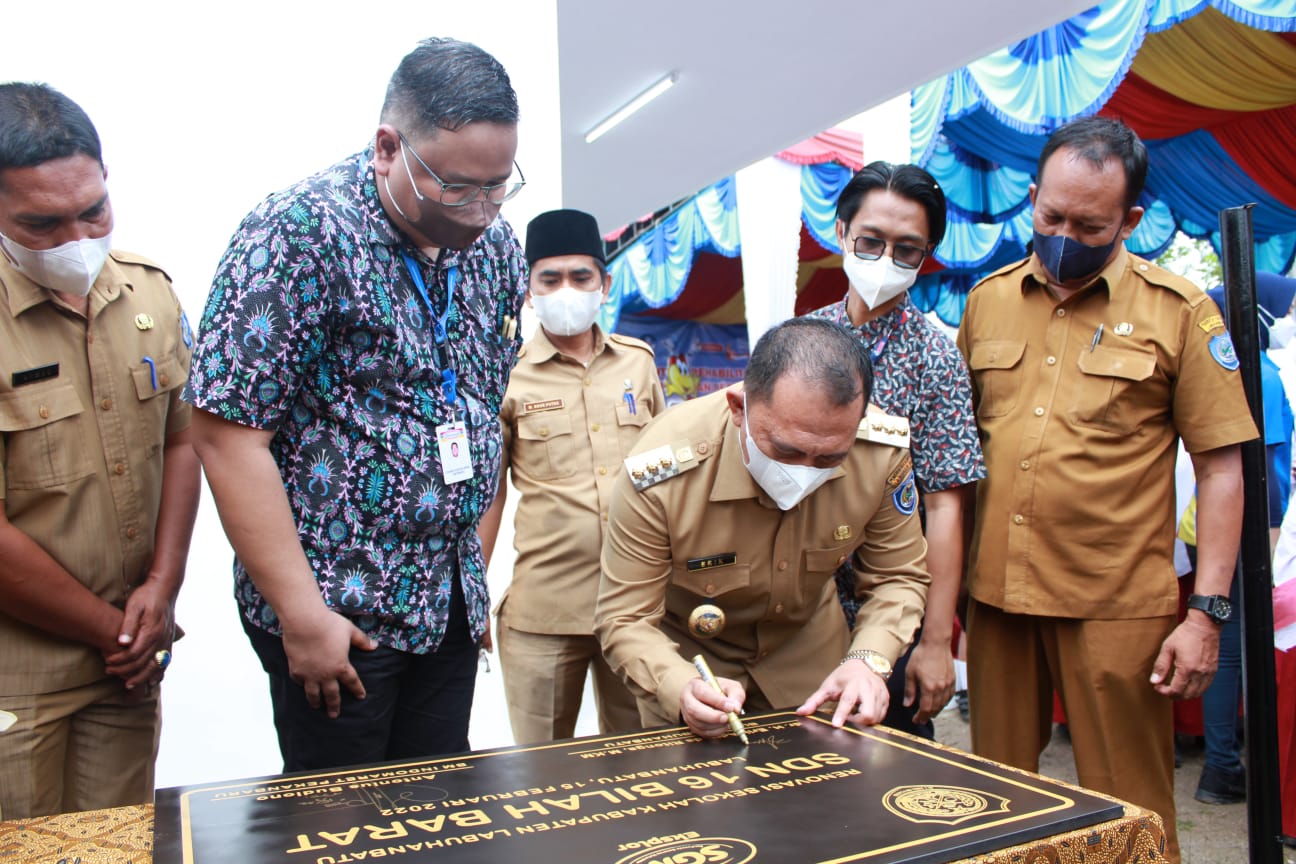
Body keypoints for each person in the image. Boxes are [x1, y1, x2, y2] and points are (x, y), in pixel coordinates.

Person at [183, 38, 527, 771]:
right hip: (342, 608)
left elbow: (480, 415)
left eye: (498, 187)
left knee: (441, 806)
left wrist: (471, 579)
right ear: (387, 148)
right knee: (342, 813)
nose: (480, 211)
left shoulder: (496, 248)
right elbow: (226, 434)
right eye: (457, 187)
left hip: (445, 602)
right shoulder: (298, 234)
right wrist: (302, 614)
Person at [956, 116, 1255, 864]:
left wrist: (1206, 614)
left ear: (1130, 220)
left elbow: (1222, 468)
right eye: (1052, 216)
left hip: (1116, 604)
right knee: (995, 810)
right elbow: (961, 458)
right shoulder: (987, 301)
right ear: (1033, 197)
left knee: (1130, 819)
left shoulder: (1178, 311)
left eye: (1088, 225)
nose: (1063, 236)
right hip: (997, 597)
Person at [0, 83, 200, 818]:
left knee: (112, 849)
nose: (76, 239)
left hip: (126, 665)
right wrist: (115, 630)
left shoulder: (150, 296)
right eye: (41, 224)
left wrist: (163, 585)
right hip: (19, 679)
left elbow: (183, 441)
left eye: (94, 211)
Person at [594, 317, 930, 737]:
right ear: (739, 408)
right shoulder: (663, 471)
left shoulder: (878, 454)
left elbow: (898, 576)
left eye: (830, 459)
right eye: (786, 450)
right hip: (692, 660)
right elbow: (624, 617)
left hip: (813, 666)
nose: (805, 472)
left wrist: (867, 661)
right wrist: (679, 687)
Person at [807, 161, 983, 738]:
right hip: (797, 610)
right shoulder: (798, 343)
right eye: (871, 241)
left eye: (906, 249)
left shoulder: (936, 359)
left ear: (926, 255)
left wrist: (935, 642)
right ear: (841, 232)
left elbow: (947, 507)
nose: (885, 259)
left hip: (891, 614)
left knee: (889, 769)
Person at [478, 208, 665, 744]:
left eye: (581, 277)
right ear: (528, 290)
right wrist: (471, 592)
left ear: (605, 284)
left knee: (641, 757)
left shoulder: (638, 364)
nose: (566, 290)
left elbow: (668, 476)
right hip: (544, 611)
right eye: (550, 278)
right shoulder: (505, 374)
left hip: (638, 605)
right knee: (542, 768)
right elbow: (488, 495)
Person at [1180, 275, 1295, 805]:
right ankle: (1229, 765)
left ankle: (1222, 764)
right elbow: (1263, 475)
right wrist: (1268, 551)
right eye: (1284, 309)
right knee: (1237, 646)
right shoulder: (1259, 375)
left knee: (1227, 645)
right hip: (1244, 530)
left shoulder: (1228, 367)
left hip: (1208, 524)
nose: (1288, 318)